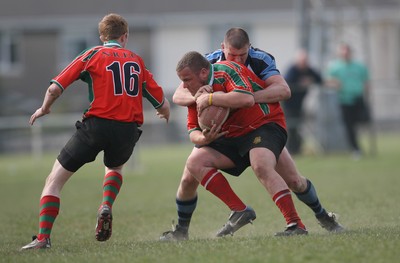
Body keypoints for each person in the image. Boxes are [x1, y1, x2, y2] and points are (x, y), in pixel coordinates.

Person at [161, 28, 343, 241]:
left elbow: (282, 91)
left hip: (262, 124)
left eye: (242, 55)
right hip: (230, 132)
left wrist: (226, 98)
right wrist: (203, 102)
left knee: (285, 176)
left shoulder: (257, 61)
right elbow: (180, 96)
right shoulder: (205, 68)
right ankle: (185, 230)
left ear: (249, 49)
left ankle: (313, 219)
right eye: (232, 55)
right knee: (191, 169)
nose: (237, 60)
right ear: (222, 49)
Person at [20, 13, 170, 250]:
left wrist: (44, 108)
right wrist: (165, 114)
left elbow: (55, 88)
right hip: (127, 130)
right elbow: (161, 102)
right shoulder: (136, 61)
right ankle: (106, 204)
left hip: (96, 125)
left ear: (102, 36)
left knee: (54, 180)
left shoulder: (92, 54)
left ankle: (43, 238)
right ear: (125, 37)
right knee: (114, 167)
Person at [168, 50, 307, 239]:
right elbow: (193, 130)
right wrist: (204, 139)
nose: (183, 85)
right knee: (194, 163)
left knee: (270, 169)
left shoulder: (227, 70)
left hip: (262, 124)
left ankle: (296, 224)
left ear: (202, 73)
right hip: (231, 135)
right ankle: (239, 210)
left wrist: (210, 98)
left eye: (187, 79)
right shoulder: (195, 91)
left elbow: (247, 99)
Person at [326, 43, 370, 158]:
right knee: (349, 126)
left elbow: (366, 81)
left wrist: (366, 93)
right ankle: (356, 149)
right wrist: (334, 83)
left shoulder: (359, 66)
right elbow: (327, 80)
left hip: (358, 98)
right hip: (344, 100)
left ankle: (357, 142)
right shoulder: (334, 67)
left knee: (363, 120)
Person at [284, 49, 322, 154]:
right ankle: (291, 150)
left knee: (299, 127)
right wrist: (300, 83)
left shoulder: (309, 70)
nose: (304, 64)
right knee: (291, 127)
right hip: (289, 104)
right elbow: (287, 82)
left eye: (306, 62)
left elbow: (319, 79)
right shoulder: (292, 70)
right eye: (302, 62)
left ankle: (297, 149)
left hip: (300, 104)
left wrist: (310, 80)